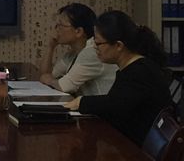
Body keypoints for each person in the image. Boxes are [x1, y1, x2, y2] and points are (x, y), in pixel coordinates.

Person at [64, 10, 172, 146]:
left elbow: (115, 105)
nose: (94, 48)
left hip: (139, 149)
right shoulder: (131, 67)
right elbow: (116, 102)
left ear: (118, 45)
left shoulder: (139, 72)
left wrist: (82, 102)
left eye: (98, 44)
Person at [39, 3, 117, 96]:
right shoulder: (72, 54)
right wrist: (50, 47)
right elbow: (46, 75)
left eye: (61, 25)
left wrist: (50, 80)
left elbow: (66, 86)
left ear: (79, 31)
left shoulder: (93, 51)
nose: (57, 29)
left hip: (101, 105)